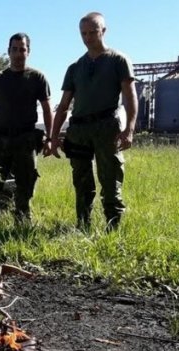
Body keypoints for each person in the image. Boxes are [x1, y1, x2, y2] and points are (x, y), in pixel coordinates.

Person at [45, 12, 137, 231]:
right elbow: (64, 106)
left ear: (103, 31)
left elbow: (130, 96)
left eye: (92, 32)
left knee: (110, 178)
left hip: (107, 127)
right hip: (79, 130)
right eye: (83, 33)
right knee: (82, 181)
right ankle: (83, 225)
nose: (88, 37)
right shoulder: (75, 68)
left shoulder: (118, 61)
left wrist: (130, 129)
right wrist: (54, 138)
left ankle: (113, 227)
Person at [0, 32, 53, 226]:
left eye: (23, 49)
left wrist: (50, 138)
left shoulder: (37, 78)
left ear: (28, 51)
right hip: (0, 140)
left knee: (26, 185)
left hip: (26, 140)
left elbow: (47, 110)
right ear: (8, 51)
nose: (19, 54)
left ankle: (22, 222)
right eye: (15, 49)